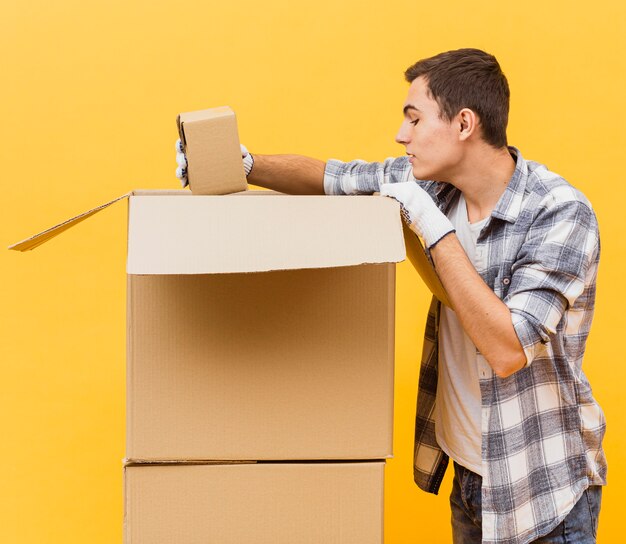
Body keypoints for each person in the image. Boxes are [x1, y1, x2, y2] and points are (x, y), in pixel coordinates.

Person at [176, 48, 606, 544]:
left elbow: (509, 348)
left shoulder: (559, 213)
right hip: (470, 477)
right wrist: (240, 164)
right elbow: (327, 177)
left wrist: (429, 225)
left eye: (414, 119)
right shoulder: (434, 184)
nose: (401, 135)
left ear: (464, 123)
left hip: (539, 485)